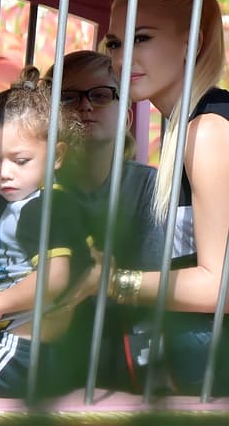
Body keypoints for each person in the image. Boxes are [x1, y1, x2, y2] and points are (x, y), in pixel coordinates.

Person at [89, 0, 229, 396]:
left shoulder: (208, 132)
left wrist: (112, 282)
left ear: (191, 44)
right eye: (113, 43)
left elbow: (220, 289)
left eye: (141, 38)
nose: (122, 57)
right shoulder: (188, 124)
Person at [0, 66, 88, 398]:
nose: (5, 173)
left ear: (56, 155)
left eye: (21, 160)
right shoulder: (8, 203)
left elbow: (55, 278)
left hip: (20, 352)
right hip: (0, 345)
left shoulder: (46, 207)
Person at [48, 50, 164, 389]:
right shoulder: (25, 187)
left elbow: (154, 286)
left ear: (126, 115)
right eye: (68, 97)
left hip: (125, 350)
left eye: (100, 96)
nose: (85, 107)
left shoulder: (150, 187)